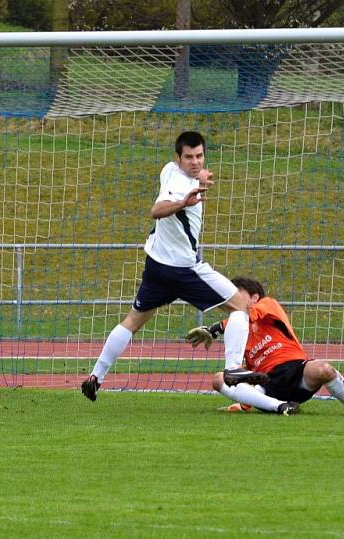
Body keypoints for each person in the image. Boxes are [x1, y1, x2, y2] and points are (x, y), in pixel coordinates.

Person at [81, 131, 265, 402]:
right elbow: (157, 210)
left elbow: (188, 176)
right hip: (183, 269)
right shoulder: (180, 186)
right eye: (188, 157)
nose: (195, 161)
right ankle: (233, 369)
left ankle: (95, 377)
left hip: (156, 265)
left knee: (133, 321)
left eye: (199, 156)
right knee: (242, 307)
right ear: (178, 158)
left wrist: (198, 177)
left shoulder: (169, 170)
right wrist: (183, 202)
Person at [187, 276, 344, 416]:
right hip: (267, 384)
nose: (233, 300)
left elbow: (244, 315)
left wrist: (214, 328)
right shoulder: (239, 331)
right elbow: (245, 372)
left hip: (296, 371)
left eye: (237, 294)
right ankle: (281, 407)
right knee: (219, 379)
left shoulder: (268, 305)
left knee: (324, 369)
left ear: (254, 297)